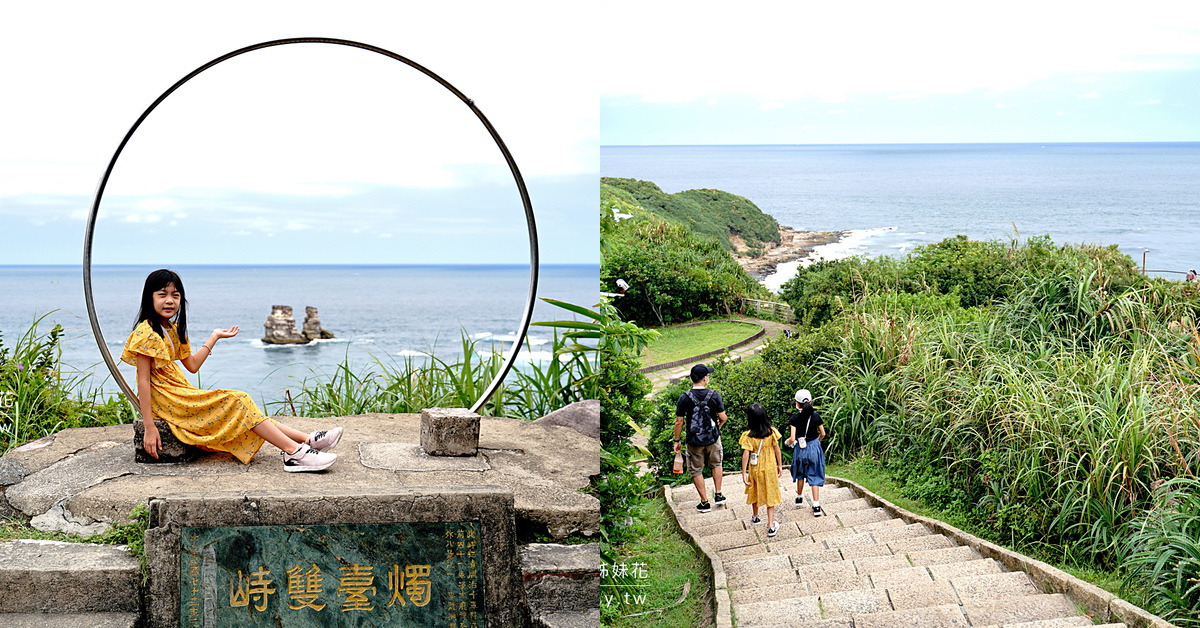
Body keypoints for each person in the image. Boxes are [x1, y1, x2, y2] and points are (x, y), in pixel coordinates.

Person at [122, 269, 342, 472]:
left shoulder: (171, 328)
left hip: (179, 391)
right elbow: (143, 381)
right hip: (168, 399)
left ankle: (306, 441)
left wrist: (214, 337)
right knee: (239, 401)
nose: (170, 300)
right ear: (149, 297)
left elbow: (192, 366)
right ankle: (295, 453)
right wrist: (150, 427)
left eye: (175, 295)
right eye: (162, 294)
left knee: (244, 409)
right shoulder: (146, 332)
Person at [673, 364, 728, 513]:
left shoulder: (684, 397)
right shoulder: (714, 395)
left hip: (693, 441)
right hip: (713, 438)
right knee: (716, 464)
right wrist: (718, 426)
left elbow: (679, 422)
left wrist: (676, 441)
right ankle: (718, 494)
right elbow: (723, 417)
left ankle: (704, 502)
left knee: (696, 470)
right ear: (705, 379)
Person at [739, 403, 783, 536]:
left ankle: (755, 516)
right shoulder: (772, 432)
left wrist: (744, 473)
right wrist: (779, 465)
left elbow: (745, 455)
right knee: (770, 493)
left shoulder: (748, 436)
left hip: (755, 468)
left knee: (755, 490)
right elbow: (777, 449)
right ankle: (770, 525)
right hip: (769, 468)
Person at [786, 389, 827, 516]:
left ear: (797, 404)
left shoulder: (794, 419)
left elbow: (792, 439)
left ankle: (799, 498)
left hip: (801, 449)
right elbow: (823, 433)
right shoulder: (816, 416)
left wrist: (787, 442)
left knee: (800, 473)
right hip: (814, 447)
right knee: (814, 475)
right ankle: (816, 505)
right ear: (810, 401)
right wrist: (817, 441)